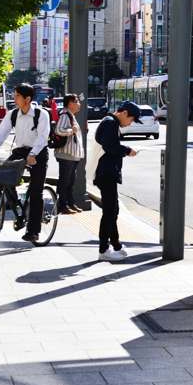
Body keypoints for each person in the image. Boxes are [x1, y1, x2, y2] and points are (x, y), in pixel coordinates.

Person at [0, 83, 50, 243]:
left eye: (17, 96)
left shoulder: (41, 114)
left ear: (28, 99)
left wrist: (33, 154)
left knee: (36, 193)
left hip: (37, 153)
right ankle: (15, 202)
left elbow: (43, 137)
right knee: (3, 173)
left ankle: (33, 231)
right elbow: (1, 133)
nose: (14, 99)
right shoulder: (13, 114)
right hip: (20, 151)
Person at [94, 101, 140, 262]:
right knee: (109, 212)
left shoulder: (109, 122)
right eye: (132, 120)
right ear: (125, 113)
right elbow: (109, 146)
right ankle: (104, 249)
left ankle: (115, 244)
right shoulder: (110, 123)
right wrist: (127, 150)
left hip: (106, 172)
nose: (130, 124)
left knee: (113, 210)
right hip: (106, 172)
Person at [54, 94, 84, 215]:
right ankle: (62, 205)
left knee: (71, 181)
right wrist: (72, 131)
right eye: (77, 102)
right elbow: (58, 130)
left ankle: (71, 204)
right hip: (66, 154)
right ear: (70, 104)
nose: (79, 104)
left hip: (72, 155)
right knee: (64, 181)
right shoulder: (65, 115)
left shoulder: (70, 115)